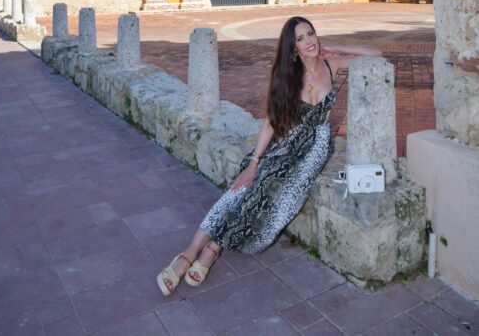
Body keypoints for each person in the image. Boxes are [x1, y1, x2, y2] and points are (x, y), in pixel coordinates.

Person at [156, 15, 382, 296]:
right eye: (300, 39)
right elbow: (270, 124)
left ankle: (214, 247)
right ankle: (190, 252)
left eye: (311, 34)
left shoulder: (330, 64)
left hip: (313, 151)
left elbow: (375, 54)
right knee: (243, 188)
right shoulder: (287, 77)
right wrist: (253, 163)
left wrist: (334, 48)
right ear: (293, 47)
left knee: (269, 194)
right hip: (286, 143)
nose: (309, 41)